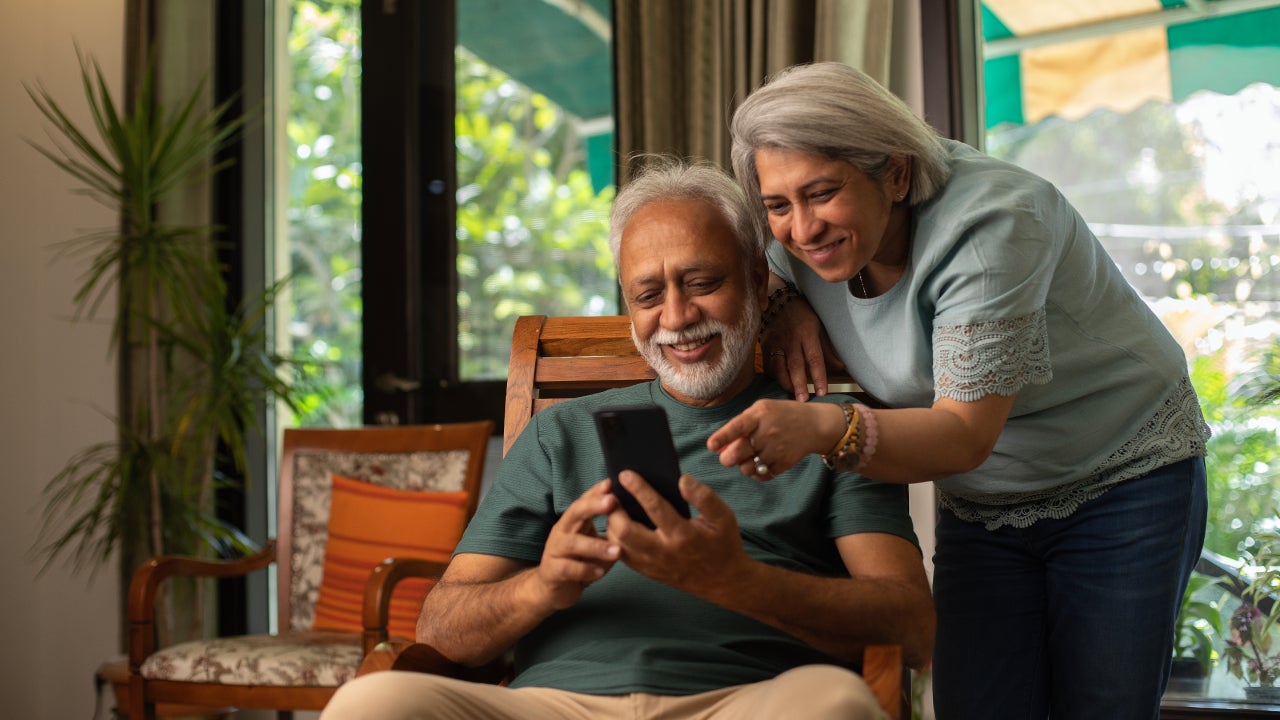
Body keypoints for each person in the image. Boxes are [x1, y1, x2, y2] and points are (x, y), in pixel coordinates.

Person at [319, 157, 934, 720]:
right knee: (374, 702)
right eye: (648, 294)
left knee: (836, 707)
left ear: (755, 276)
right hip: (556, 705)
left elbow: (911, 625)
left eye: (701, 282)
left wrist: (738, 580)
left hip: (748, 701)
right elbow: (441, 629)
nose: (676, 316)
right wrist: (542, 585)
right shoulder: (558, 433)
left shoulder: (829, 429)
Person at [702, 61, 1211, 720]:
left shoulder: (994, 224)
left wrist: (826, 428)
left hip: (1121, 474)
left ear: (897, 171)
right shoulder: (801, 244)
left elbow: (964, 434)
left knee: (1101, 707)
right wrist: (783, 303)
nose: (802, 230)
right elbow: (757, 263)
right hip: (985, 505)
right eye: (778, 205)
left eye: (822, 193)